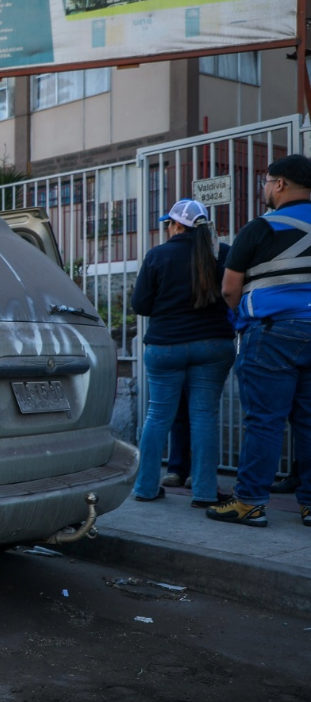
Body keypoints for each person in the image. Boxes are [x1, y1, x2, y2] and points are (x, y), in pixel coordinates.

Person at [212, 154, 311, 528]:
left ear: (280, 184)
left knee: (265, 422)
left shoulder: (259, 228)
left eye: (266, 182)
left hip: (271, 333)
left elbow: (229, 288)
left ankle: (250, 503)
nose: (265, 189)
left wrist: (242, 319)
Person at [130, 198, 236, 507]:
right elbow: (233, 293)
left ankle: (146, 487)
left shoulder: (158, 255)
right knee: (204, 417)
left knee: (157, 416)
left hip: (165, 346)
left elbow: (140, 304)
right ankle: (204, 492)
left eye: (168, 223)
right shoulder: (223, 254)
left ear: (177, 225)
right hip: (213, 345)